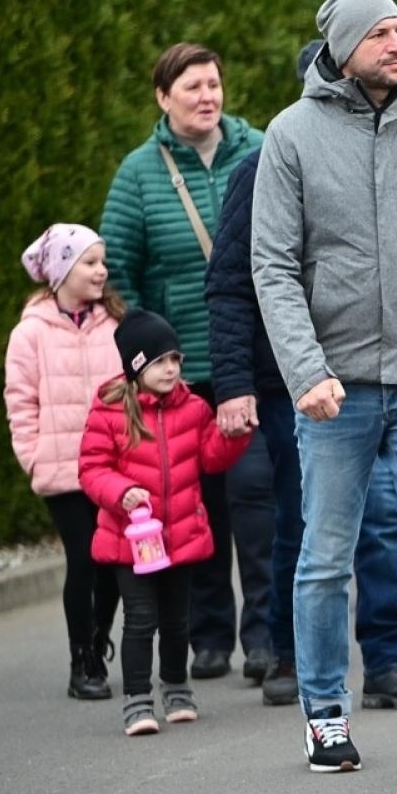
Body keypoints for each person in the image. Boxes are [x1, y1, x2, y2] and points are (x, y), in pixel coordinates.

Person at [253, 0, 397, 774]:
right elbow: (272, 265)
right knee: (325, 556)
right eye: (381, 33)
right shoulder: (291, 134)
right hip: (334, 386)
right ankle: (325, 715)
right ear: (345, 48)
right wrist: (305, 370)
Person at [206, 141, 397, 710]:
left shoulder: (394, 155)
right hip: (292, 382)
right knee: (303, 522)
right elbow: (230, 283)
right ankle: (290, 652)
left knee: (382, 517)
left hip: (383, 373)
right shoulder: (264, 165)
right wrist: (234, 382)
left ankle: (387, 658)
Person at [100, 42, 269, 682]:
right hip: (179, 378)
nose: (207, 96)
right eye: (192, 86)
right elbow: (118, 269)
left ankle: (265, 637)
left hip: (249, 365)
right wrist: (150, 351)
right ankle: (209, 636)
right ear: (162, 97)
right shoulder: (138, 173)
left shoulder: (261, 152)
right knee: (194, 506)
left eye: (213, 84)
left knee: (256, 502)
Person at [78, 309, 252, 735]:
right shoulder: (109, 411)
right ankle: (137, 699)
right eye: (160, 361)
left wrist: (235, 435)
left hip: (180, 537)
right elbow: (91, 468)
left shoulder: (193, 408)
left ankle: (176, 688)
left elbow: (210, 458)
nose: (171, 369)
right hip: (130, 541)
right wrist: (121, 491)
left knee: (177, 621)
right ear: (136, 366)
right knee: (141, 619)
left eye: (176, 359)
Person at [5, 224, 125, 700]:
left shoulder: (114, 325)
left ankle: (98, 640)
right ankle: (83, 662)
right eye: (90, 263)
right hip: (62, 470)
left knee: (113, 563)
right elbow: (20, 401)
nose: (101, 271)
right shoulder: (30, 333)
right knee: (84, 559)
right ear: (61, 271)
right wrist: (33, 458)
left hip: (112, 469)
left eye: (103, 262)